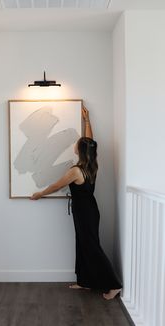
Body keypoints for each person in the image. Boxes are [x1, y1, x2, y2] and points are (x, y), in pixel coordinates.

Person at [30, 105, 122, 300]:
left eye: (78, 142)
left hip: (85, 212)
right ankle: (84, 281)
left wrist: (40, 194)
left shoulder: (75, 171)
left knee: (91, 246)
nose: (76, 142)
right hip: (88, 209)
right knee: (82, 244)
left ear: (79, 149)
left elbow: (55, 185)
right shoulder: (92, 165)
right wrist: (87, 120)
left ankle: (114, 285)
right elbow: (91, 142)